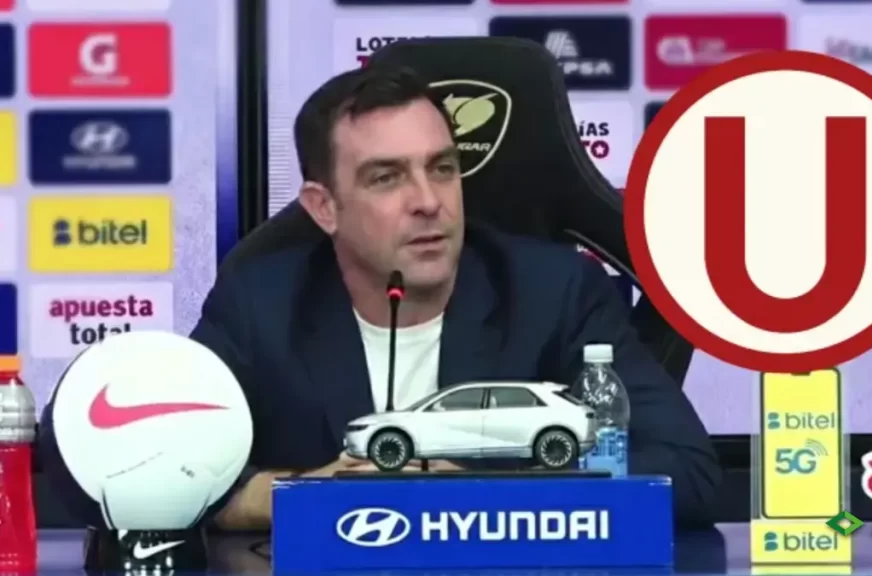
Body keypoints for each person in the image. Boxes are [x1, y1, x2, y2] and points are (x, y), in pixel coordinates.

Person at [38, 64, 720, 531]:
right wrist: (282, 499)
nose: (428, 201)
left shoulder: (552, 290)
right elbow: (105, 469)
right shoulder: (262, 305)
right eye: (387, 177)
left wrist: (473, 490)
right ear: (324, 207)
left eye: (442, 168)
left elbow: (689, 475)